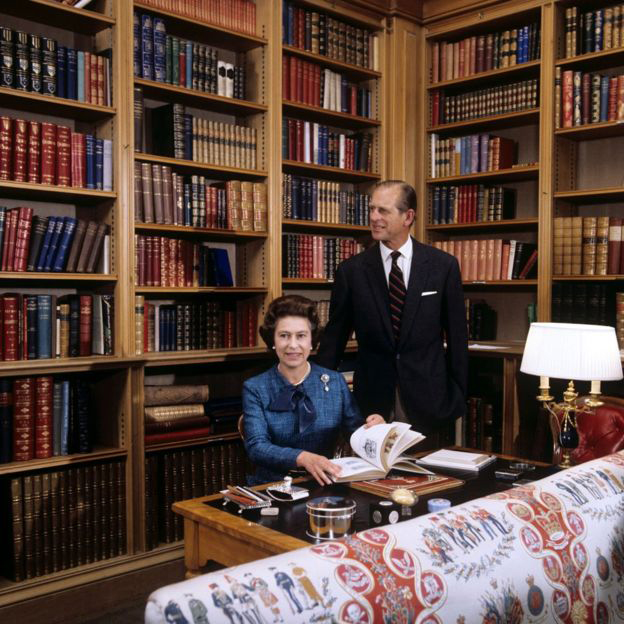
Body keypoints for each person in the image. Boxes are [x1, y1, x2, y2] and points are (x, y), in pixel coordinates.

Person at [316, 180, 468, 435]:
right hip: (371, 402)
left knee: (432, 475)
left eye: (383, 211)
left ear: (408, 216)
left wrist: (458, 396)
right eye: (372, 209)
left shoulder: (443, 266)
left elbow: (457, 339)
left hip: (431, 401)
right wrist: (319, 395)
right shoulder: (351, 272)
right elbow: (334, 341)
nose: (374, 217)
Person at [242, 295, 384, 485]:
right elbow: (256, 446)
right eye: (284, 335)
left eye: (301, 336)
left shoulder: (334, 382)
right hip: (272, 486)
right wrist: (302, 458)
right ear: (273, 340)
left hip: (325, 483)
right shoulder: (255, 388)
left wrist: (375, 431)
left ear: (312, 341)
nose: (293, 345)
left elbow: (356, 434)